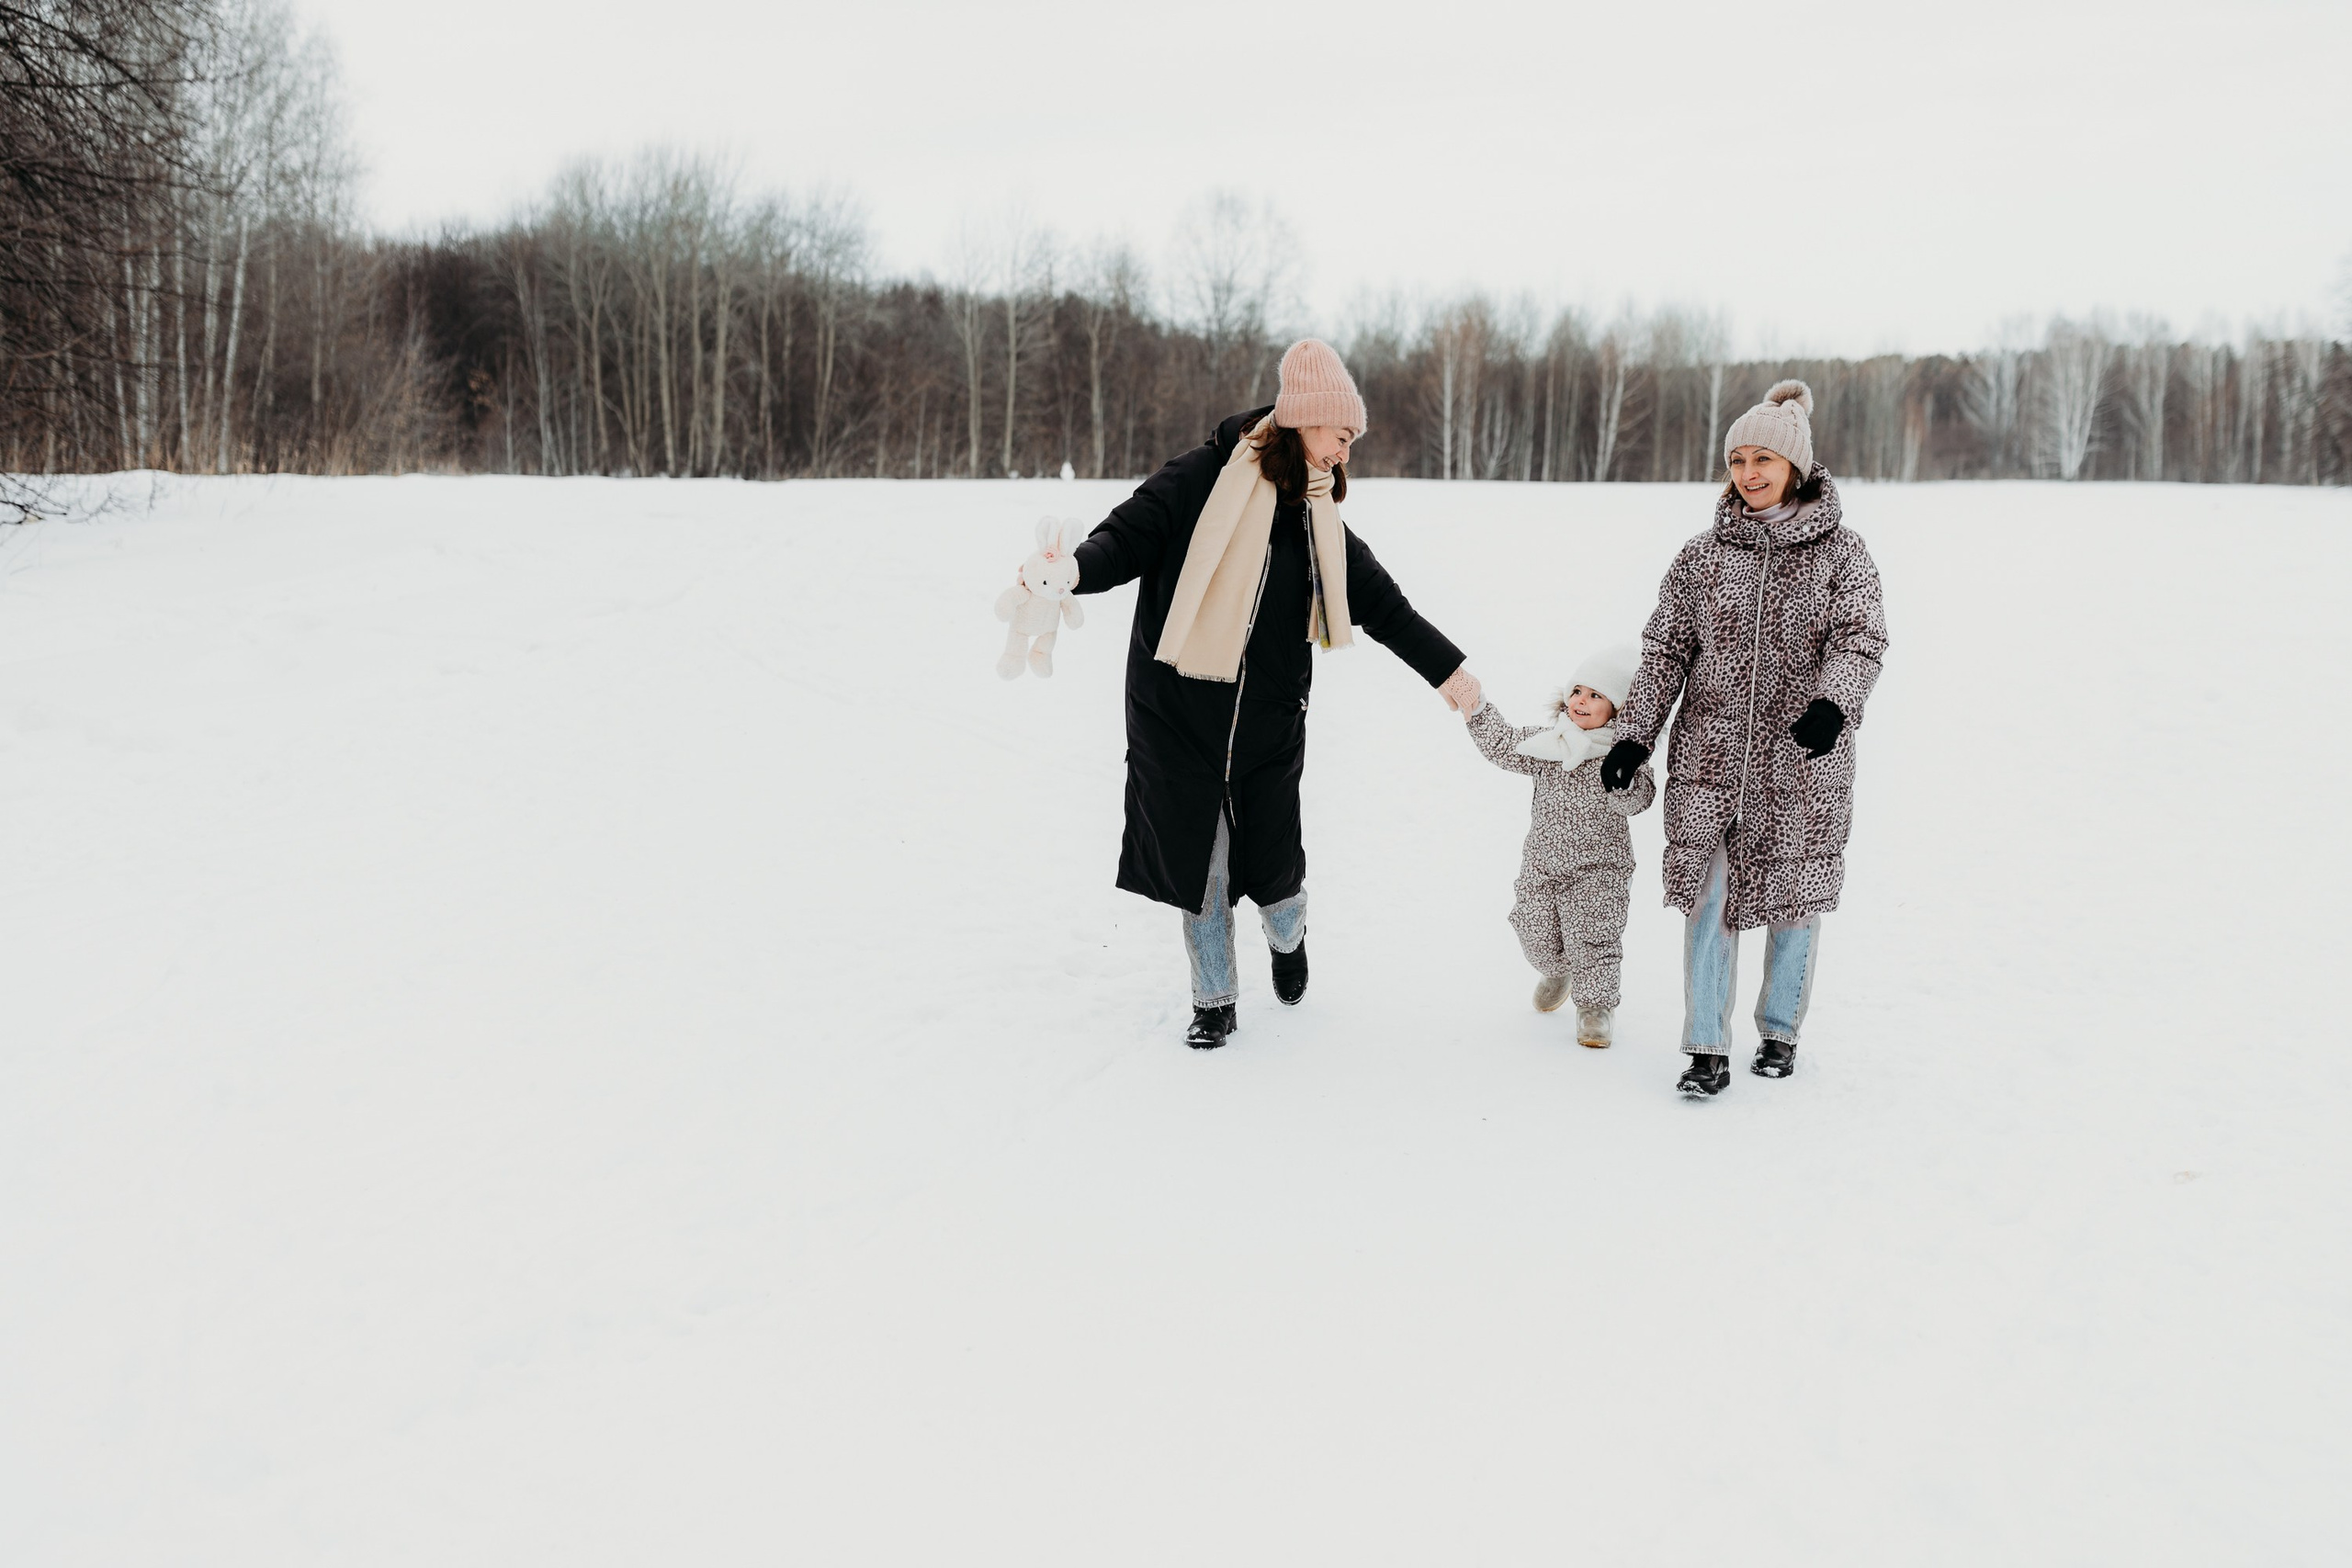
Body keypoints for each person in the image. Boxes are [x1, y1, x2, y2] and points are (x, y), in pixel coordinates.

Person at [1051, 340, 1479, 1049]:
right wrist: (1071, 571)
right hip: (1179, 717)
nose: (1345, 453)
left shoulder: (1319, 520)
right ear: (1306, 420)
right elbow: (1128, 537)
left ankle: (1290, 936)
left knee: (1277, 877)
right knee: (1204, 870)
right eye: (1341, 436)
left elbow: (1387, 608)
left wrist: (1451, 674)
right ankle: (1214, 999)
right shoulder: (1200, 479)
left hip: (1268, 730)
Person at [1599, 380, 1889, 1098]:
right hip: (1711, 761)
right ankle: (1705, 1046)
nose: (1750, 473)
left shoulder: (1842, 554)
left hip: (1803, 761)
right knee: (1707, 896)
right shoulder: (1702, 557)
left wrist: (1833, 705)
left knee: (1795, 896)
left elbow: (1861, 638)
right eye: (1737, 460)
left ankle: (1781, 1031)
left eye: (1764, 458)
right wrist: (1635, 734)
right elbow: (1665, 649)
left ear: (1796, 465)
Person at [1460, 645, 1655, 1048]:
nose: (1581, 701)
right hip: (1543, 865)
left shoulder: (1623, 756)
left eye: (1596, 695)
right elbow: (1502, 744)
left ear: (1618, 708)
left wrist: (1624, 781)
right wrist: (1476, 705)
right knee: (1534, 933)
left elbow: (1640, 800)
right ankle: (1556, 970)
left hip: (1600, 870)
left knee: (1595, 939)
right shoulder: (1549, 743)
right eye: (1578, 691)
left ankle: (1595, 1009)